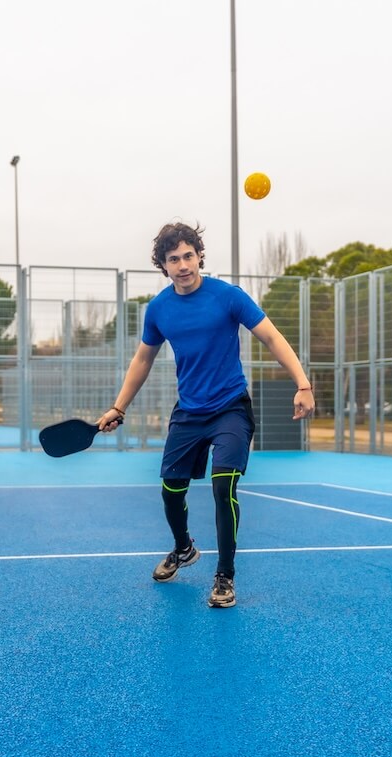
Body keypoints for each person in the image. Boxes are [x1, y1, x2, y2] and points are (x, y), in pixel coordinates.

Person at [96, 221, 314, 608]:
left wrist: (303, 384)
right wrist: (119, 406)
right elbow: (143, 358)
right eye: (173, 259)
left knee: (222, 484)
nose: (183, 265)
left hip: (231, 407)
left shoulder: (228, 297)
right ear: (163, 266)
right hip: (190, 413)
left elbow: (271, 336)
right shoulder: (160, 308)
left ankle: (225, 576)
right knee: (170, 491)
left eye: (188, 256)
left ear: (199, 257)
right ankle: (183, 548)